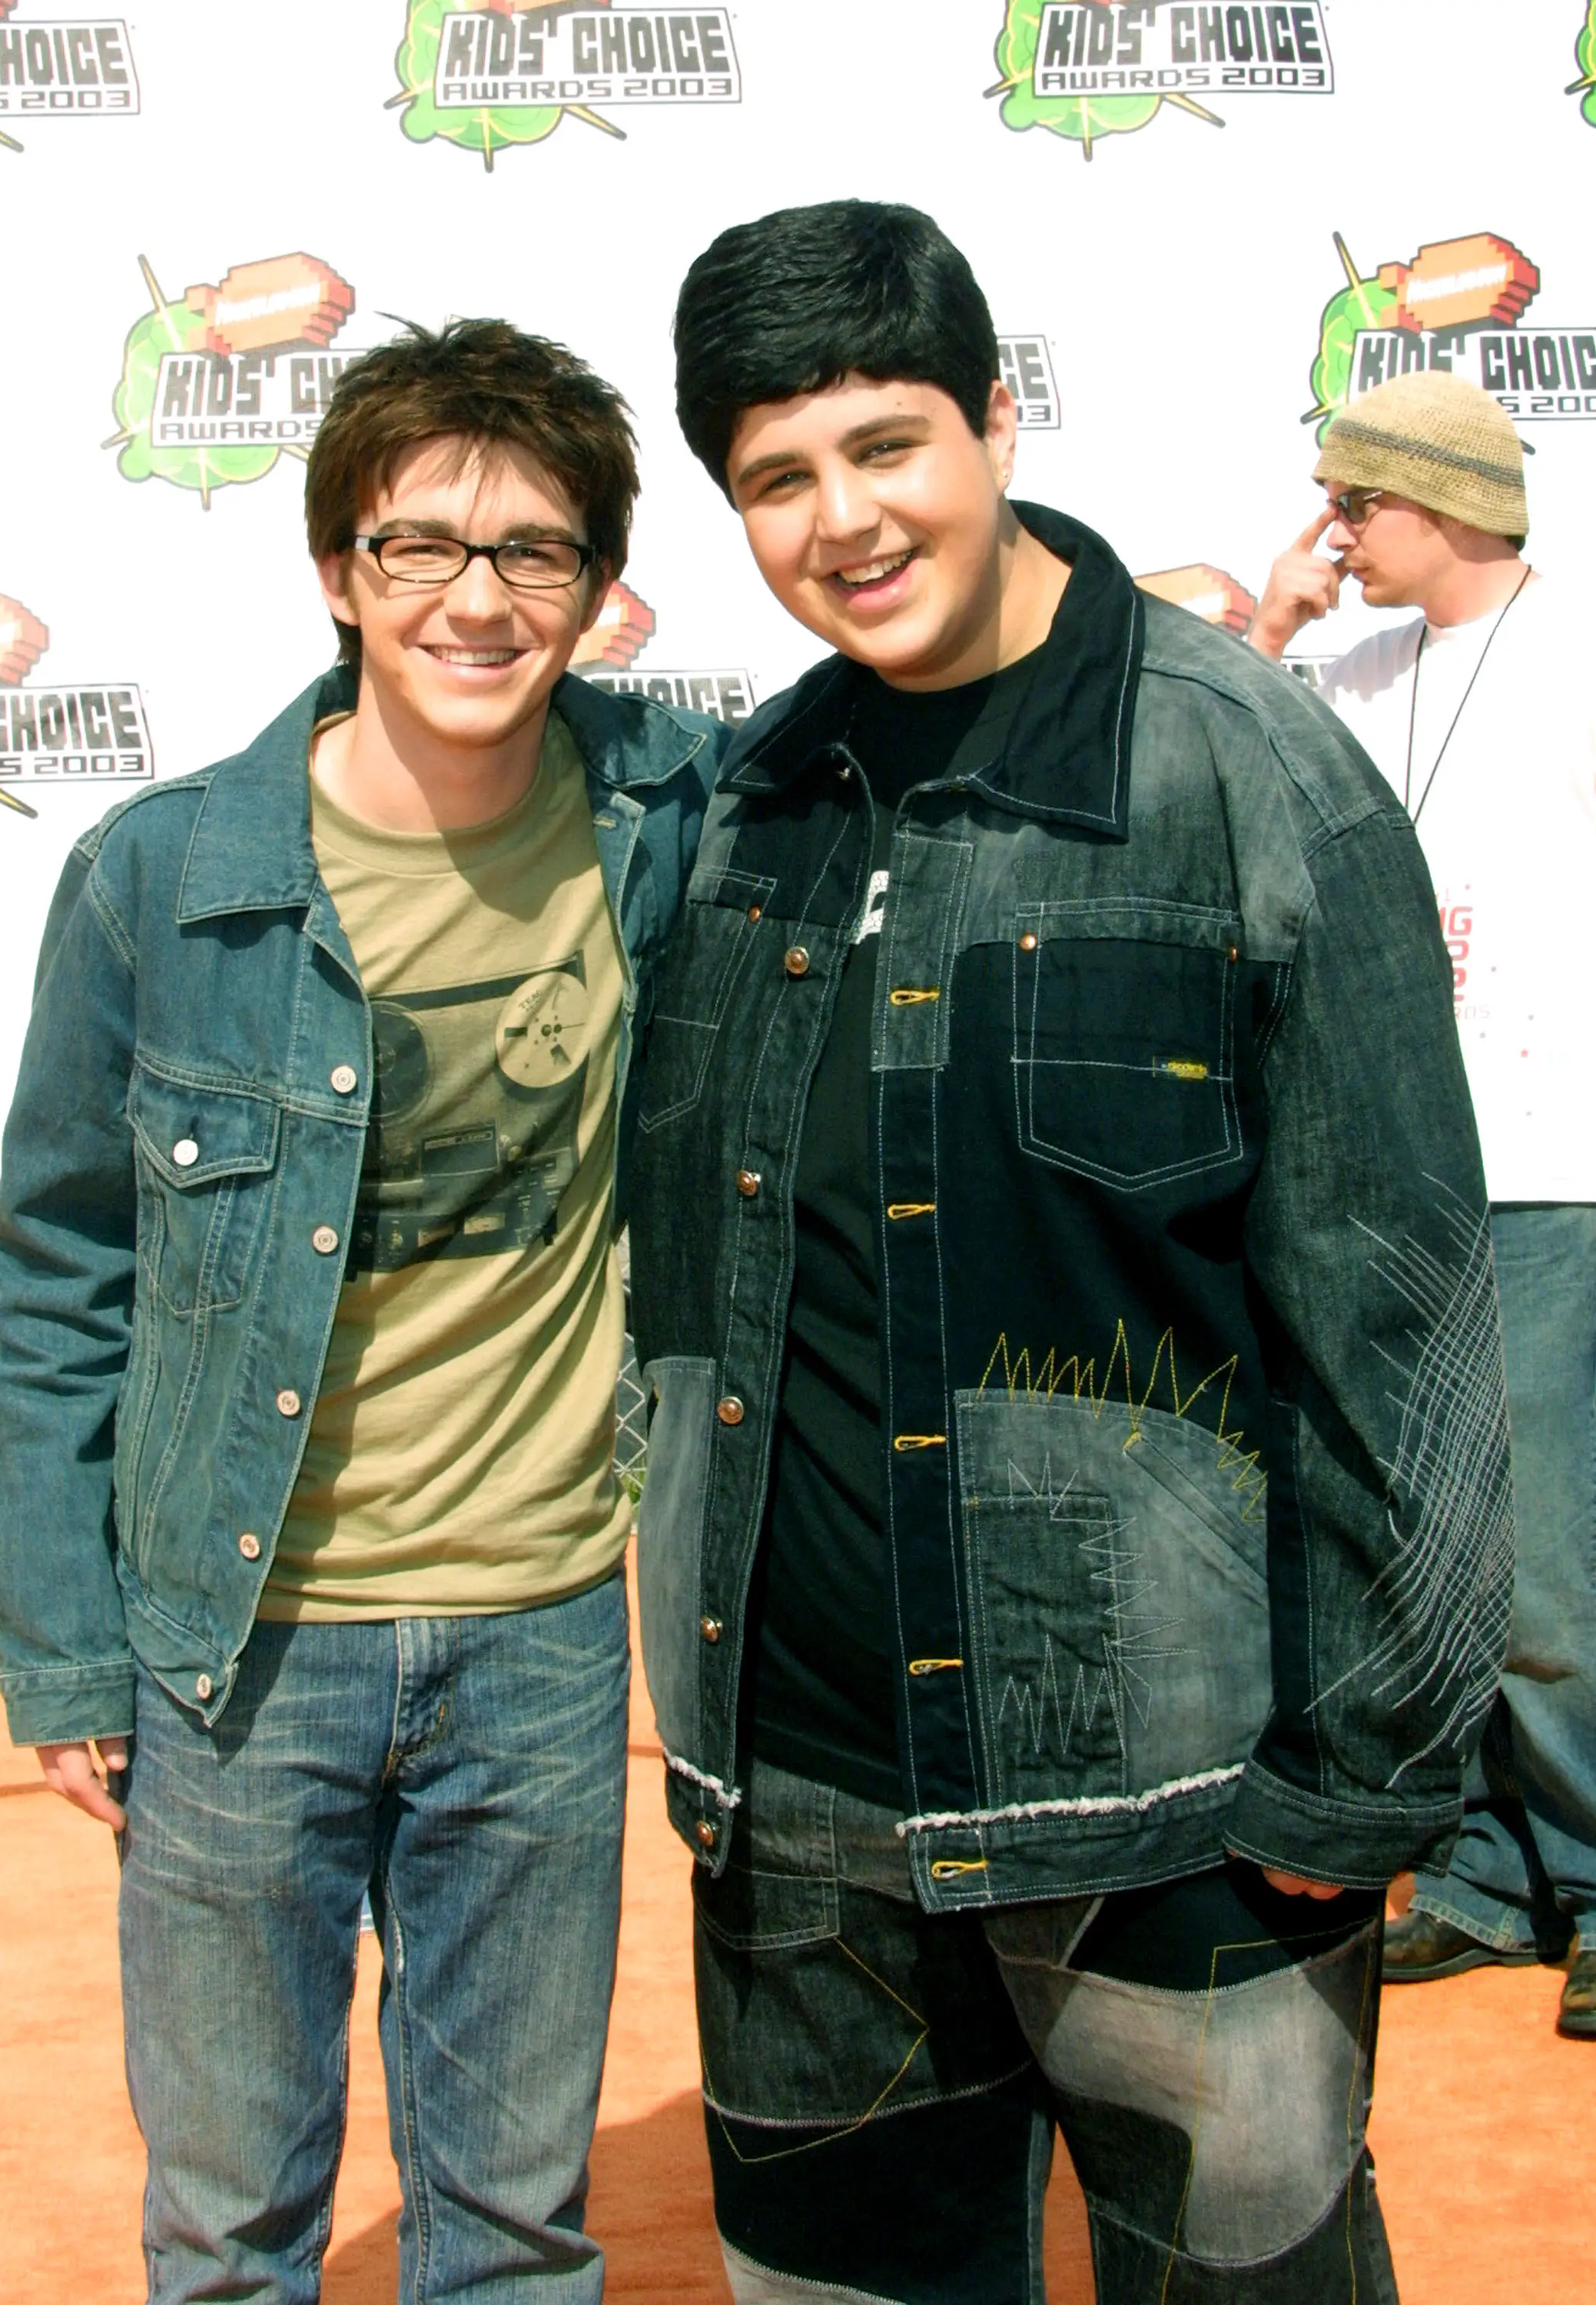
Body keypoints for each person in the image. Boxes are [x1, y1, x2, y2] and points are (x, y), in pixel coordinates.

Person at [625, 201, 1513, 2304]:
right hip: (803, 1829)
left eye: (886, 444)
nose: (843, 520)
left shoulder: (1245, 771)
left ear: (998, 419)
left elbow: (1398, 1318)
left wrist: (1352, 1787)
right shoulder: (757, 801)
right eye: (775, 477)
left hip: (1183, 1827)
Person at [0, 318, 726, 2303]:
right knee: (229, 2231)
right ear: (337, 571)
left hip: (542, 1632)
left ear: (598, 584)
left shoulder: (677, 819)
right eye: (420, 548)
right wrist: (61, 1651)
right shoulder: (165, 877)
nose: (478, 601)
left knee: (514, 2230)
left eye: (534, 552)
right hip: (238, 1646)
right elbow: (55, 1273)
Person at [1249, 367, 1596, 2041]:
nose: (1335, 530)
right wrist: (1273, 621)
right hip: (1382, 1165)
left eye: (1356, 502)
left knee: (1551, 1560)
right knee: (1423, 1539)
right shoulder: (1351, 670)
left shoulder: (1577, 649)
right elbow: (1202, 768)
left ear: (1446, 501)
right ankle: (1482, 1868)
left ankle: (1590, 1872)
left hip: (1546, 1159)